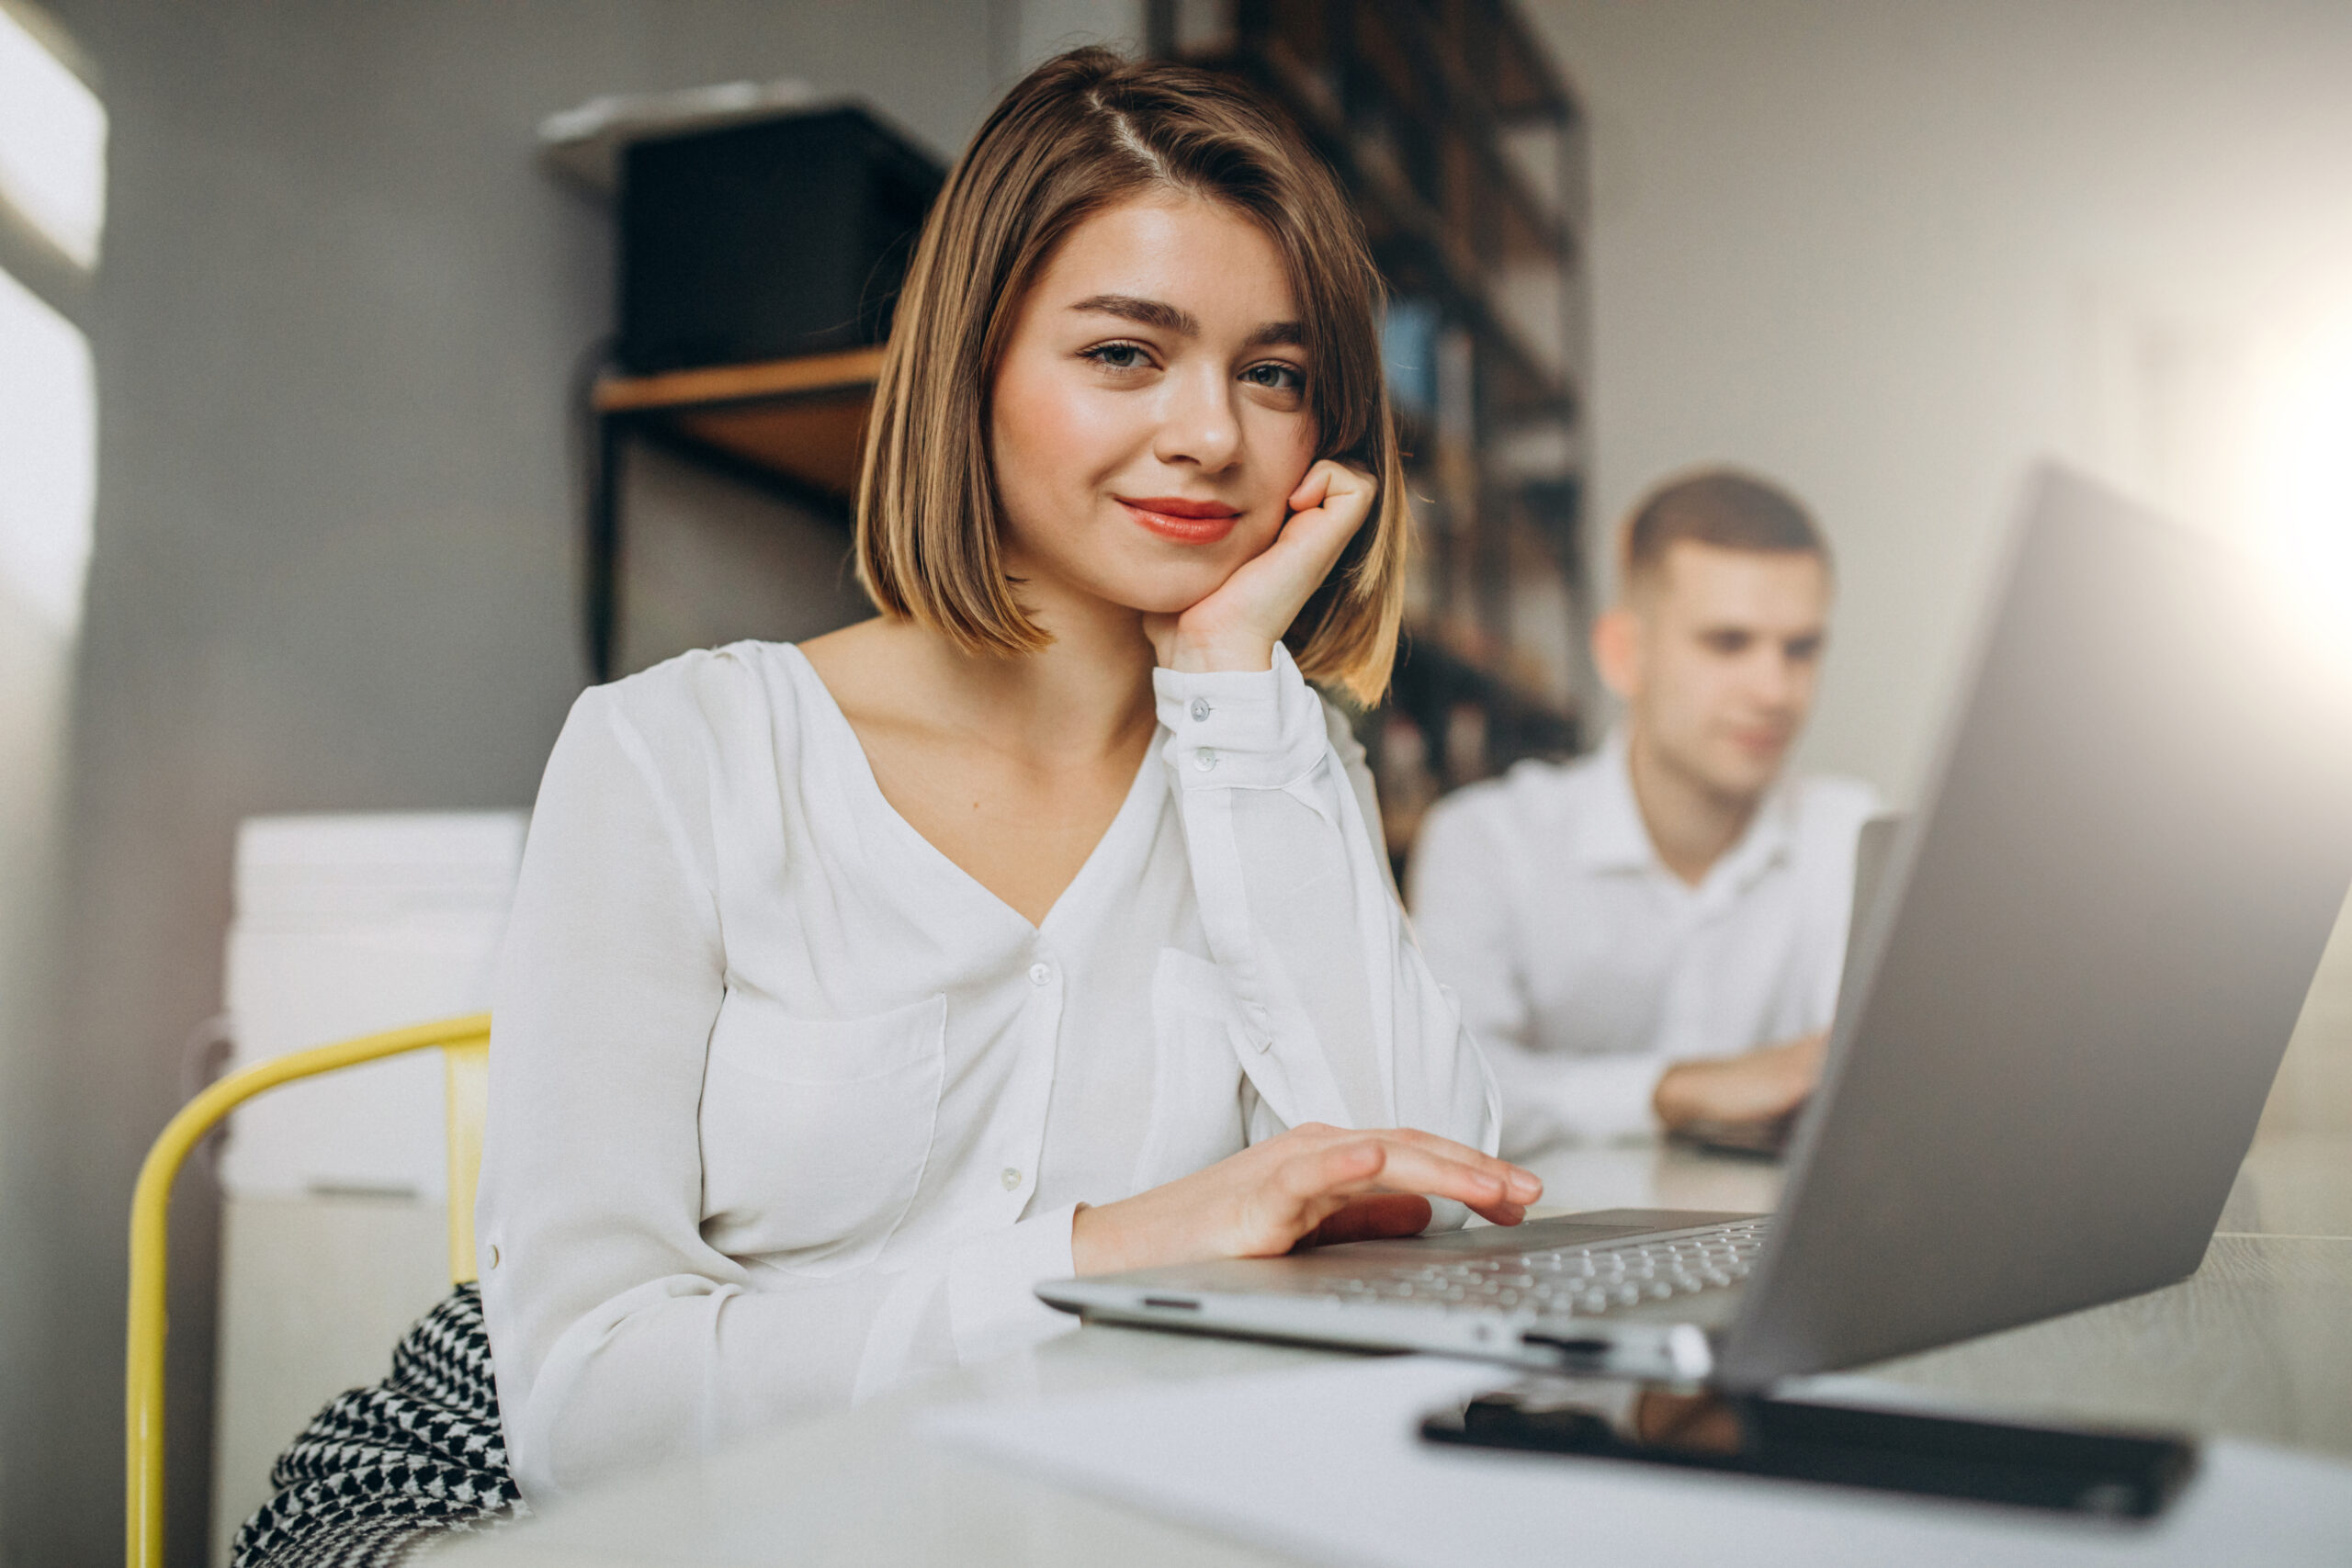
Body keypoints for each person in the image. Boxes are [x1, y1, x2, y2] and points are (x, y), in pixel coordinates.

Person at [471, 49, 1537, 1505]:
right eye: (1123, 353)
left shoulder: (1276, 762)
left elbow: (1454, 1224)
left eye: (1273, 375)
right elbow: (587, 1405)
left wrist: (1231, 673)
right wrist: (1097, 1254)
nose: (1212, 435)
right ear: (972, 365)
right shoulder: (676, 756)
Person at [1409, 469, 1881, 1159]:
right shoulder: (1486, 840)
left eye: (1800, 649)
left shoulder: (1853, 835)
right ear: (1623, 654)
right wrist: (1676, 1089)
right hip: (1549, 1258)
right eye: (1728, 643)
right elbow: (1447, 1103)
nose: (1774, 690)